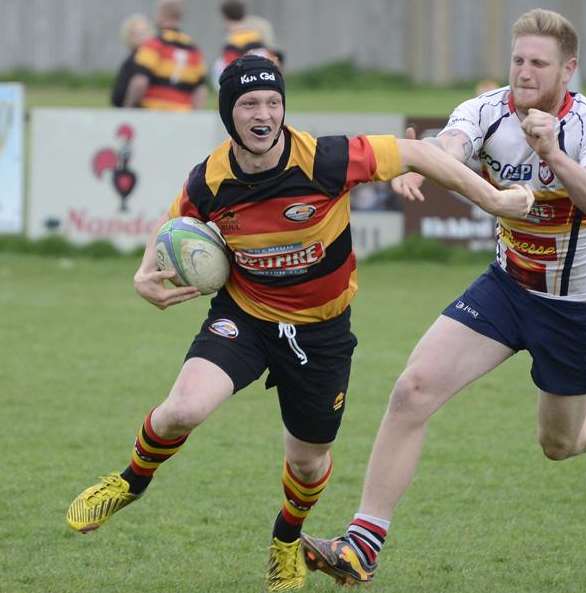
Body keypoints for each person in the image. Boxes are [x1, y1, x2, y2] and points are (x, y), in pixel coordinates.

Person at [65, 55, 534, 592]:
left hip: (321, 331)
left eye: (272, 102)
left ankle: (286, 540)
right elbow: (175, 221)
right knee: (183, 409)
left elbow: (415, 152)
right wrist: (144, 272)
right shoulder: (213, 179)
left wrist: (496, 199)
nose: (263, 114)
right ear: (228, 113)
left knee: (308, 464)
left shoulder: (326, 159)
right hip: (246, 315)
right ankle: (130, 482)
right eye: (248, 104)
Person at [300, 8, 586, 586]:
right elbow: (452, 142)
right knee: (411, 391)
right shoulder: (487, 111)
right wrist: (422, 163)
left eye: (538, 64)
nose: (523, 72)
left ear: (568, 69)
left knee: (559, 442)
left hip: (580, 308)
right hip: (506, 288)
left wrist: (554, 157)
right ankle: (362, 546)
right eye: (518, 59)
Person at [123, 0, 208, 111]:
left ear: (160, 15)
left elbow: (140, 82)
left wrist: (128, 107)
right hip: (182, 119)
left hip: (153, 115)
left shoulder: (153, 45)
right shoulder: (194, 50)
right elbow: (200, 92)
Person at [212, 2, 283, 85]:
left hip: (243, 81)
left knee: (218, 65)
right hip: (265, 77)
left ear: (226, 18)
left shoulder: (233, 41)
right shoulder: (256, 34)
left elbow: (229, 67)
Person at [111, 14, 155, 107]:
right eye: (137, 34)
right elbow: (118, 95)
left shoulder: (151, 59)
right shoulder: (131, 62)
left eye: (144, 32)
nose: (143, 37)